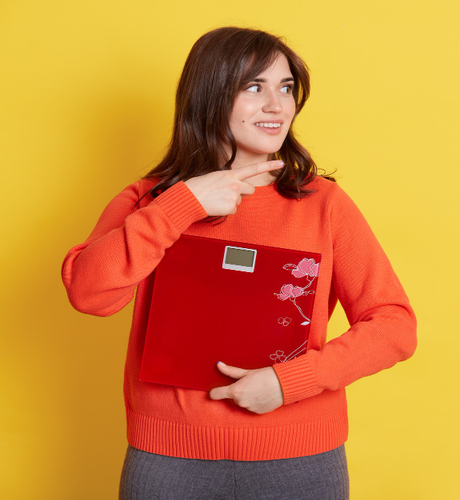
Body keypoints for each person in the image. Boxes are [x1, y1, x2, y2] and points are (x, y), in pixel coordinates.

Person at [61, 26, 416, 500]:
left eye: (286, 88)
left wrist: (290, 382)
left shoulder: (323, 204)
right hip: (168, 460)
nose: (277, 105)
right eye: (254, 86)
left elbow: (395, 325)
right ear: (210, 96)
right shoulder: (150, 201)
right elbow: (90, 295)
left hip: (299, 460)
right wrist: (182, 204)